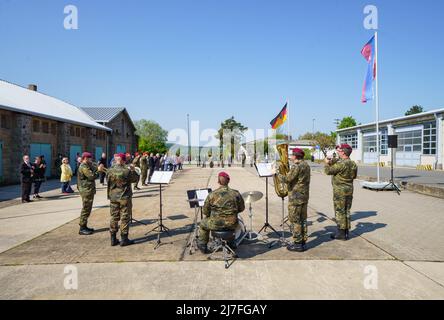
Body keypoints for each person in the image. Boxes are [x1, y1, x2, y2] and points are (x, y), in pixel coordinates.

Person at [197, 172, 245, 253]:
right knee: (232, 222)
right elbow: (241, 208)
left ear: (218, 182)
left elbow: (205, 211)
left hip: (216, 224)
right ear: (228, 181)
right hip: (232, 224)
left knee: (202, 224)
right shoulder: (236, 193)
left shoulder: (212, 194)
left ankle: (202, 246)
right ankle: (231, 243)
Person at [277, 148, 311, 252]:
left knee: (295, 220)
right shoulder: (306, 165)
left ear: (295, 156)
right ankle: (303, 241)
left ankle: (297, 244)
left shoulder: (297, 166)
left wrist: (276, 173)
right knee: (302, 219)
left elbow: (287, 179)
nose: (290, 157)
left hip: (296, 197)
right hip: (304, 196)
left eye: (292, 155)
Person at [324, 144, 358, 241]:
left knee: (339, 211)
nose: (338, 152)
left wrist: (326, 163)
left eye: (339, 150)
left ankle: (341, 233)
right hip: (349, 189)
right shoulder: (353, 163)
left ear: (343, 152)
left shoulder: (341, 164)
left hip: (340, 190)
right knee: (346, 210)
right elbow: (354, 176)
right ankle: (346, 231)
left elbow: (328, 171)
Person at [106, 153, 139, 246]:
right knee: (125, 217)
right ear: (124, 160)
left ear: (116, 160)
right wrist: (133, 170)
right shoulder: (126, 171)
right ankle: (124, 239)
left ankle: (113, 239)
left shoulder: (109, 170)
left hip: (113, 197)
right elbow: (135, 179)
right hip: (124, 197)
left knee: (114, 217)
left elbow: (107, 180)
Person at [77, 152, 104, 235]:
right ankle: (82, 228)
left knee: (88, 208)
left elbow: (94, 169)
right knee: (86, 208)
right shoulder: (83, 166)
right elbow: (91, 176)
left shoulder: (88, 165)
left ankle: (84, 226)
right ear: (85, 158)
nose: (91, 160)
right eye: (89, 158)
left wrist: (98, 167)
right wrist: (98, 171)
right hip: (86, 190)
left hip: (88, 189)